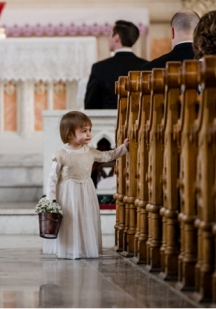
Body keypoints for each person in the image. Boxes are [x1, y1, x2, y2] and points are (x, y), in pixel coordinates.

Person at [43, 111, 129, 259]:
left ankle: (84, 247)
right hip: (68, 192)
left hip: (86, 190)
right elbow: (52, 178)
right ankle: (70, 249)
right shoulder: (61, 154)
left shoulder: (89, 151)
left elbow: (107, 155)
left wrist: (124, 148)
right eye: (84, 131)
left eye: (89, 130)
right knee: (71, 219)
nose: (89, 134)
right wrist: (51, 200)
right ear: (69, 134)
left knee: (85, 217)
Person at [84, 20, 145, 109]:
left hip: (107, 122)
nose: (108, 38)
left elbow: (90, 105)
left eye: (109, 34)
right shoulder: (146, 66)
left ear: (116, 37)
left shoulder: (99, 68)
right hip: (139, 122)